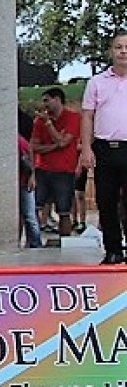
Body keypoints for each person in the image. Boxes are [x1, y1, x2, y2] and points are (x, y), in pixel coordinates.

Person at [79, 31, 127, 265]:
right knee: (105, 201)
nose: (123, 51)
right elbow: (87, 116)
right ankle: (113, 250)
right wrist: (86, 149)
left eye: (126, 47)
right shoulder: (97, 82)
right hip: (105, 149)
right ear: (111, 51)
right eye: (118, 47)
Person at [31, 86, 80, 237]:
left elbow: (63, 142)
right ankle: (34, 240)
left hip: (64, 170)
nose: (44, 104)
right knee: (35, 206)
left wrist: (49, 125)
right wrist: (54, 146)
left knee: (64, 210)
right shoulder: (40, 120)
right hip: (43, 169)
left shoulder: (73, 117)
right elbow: (34, 146)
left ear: (57, 99)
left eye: (47, 100)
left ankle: (64, 241)